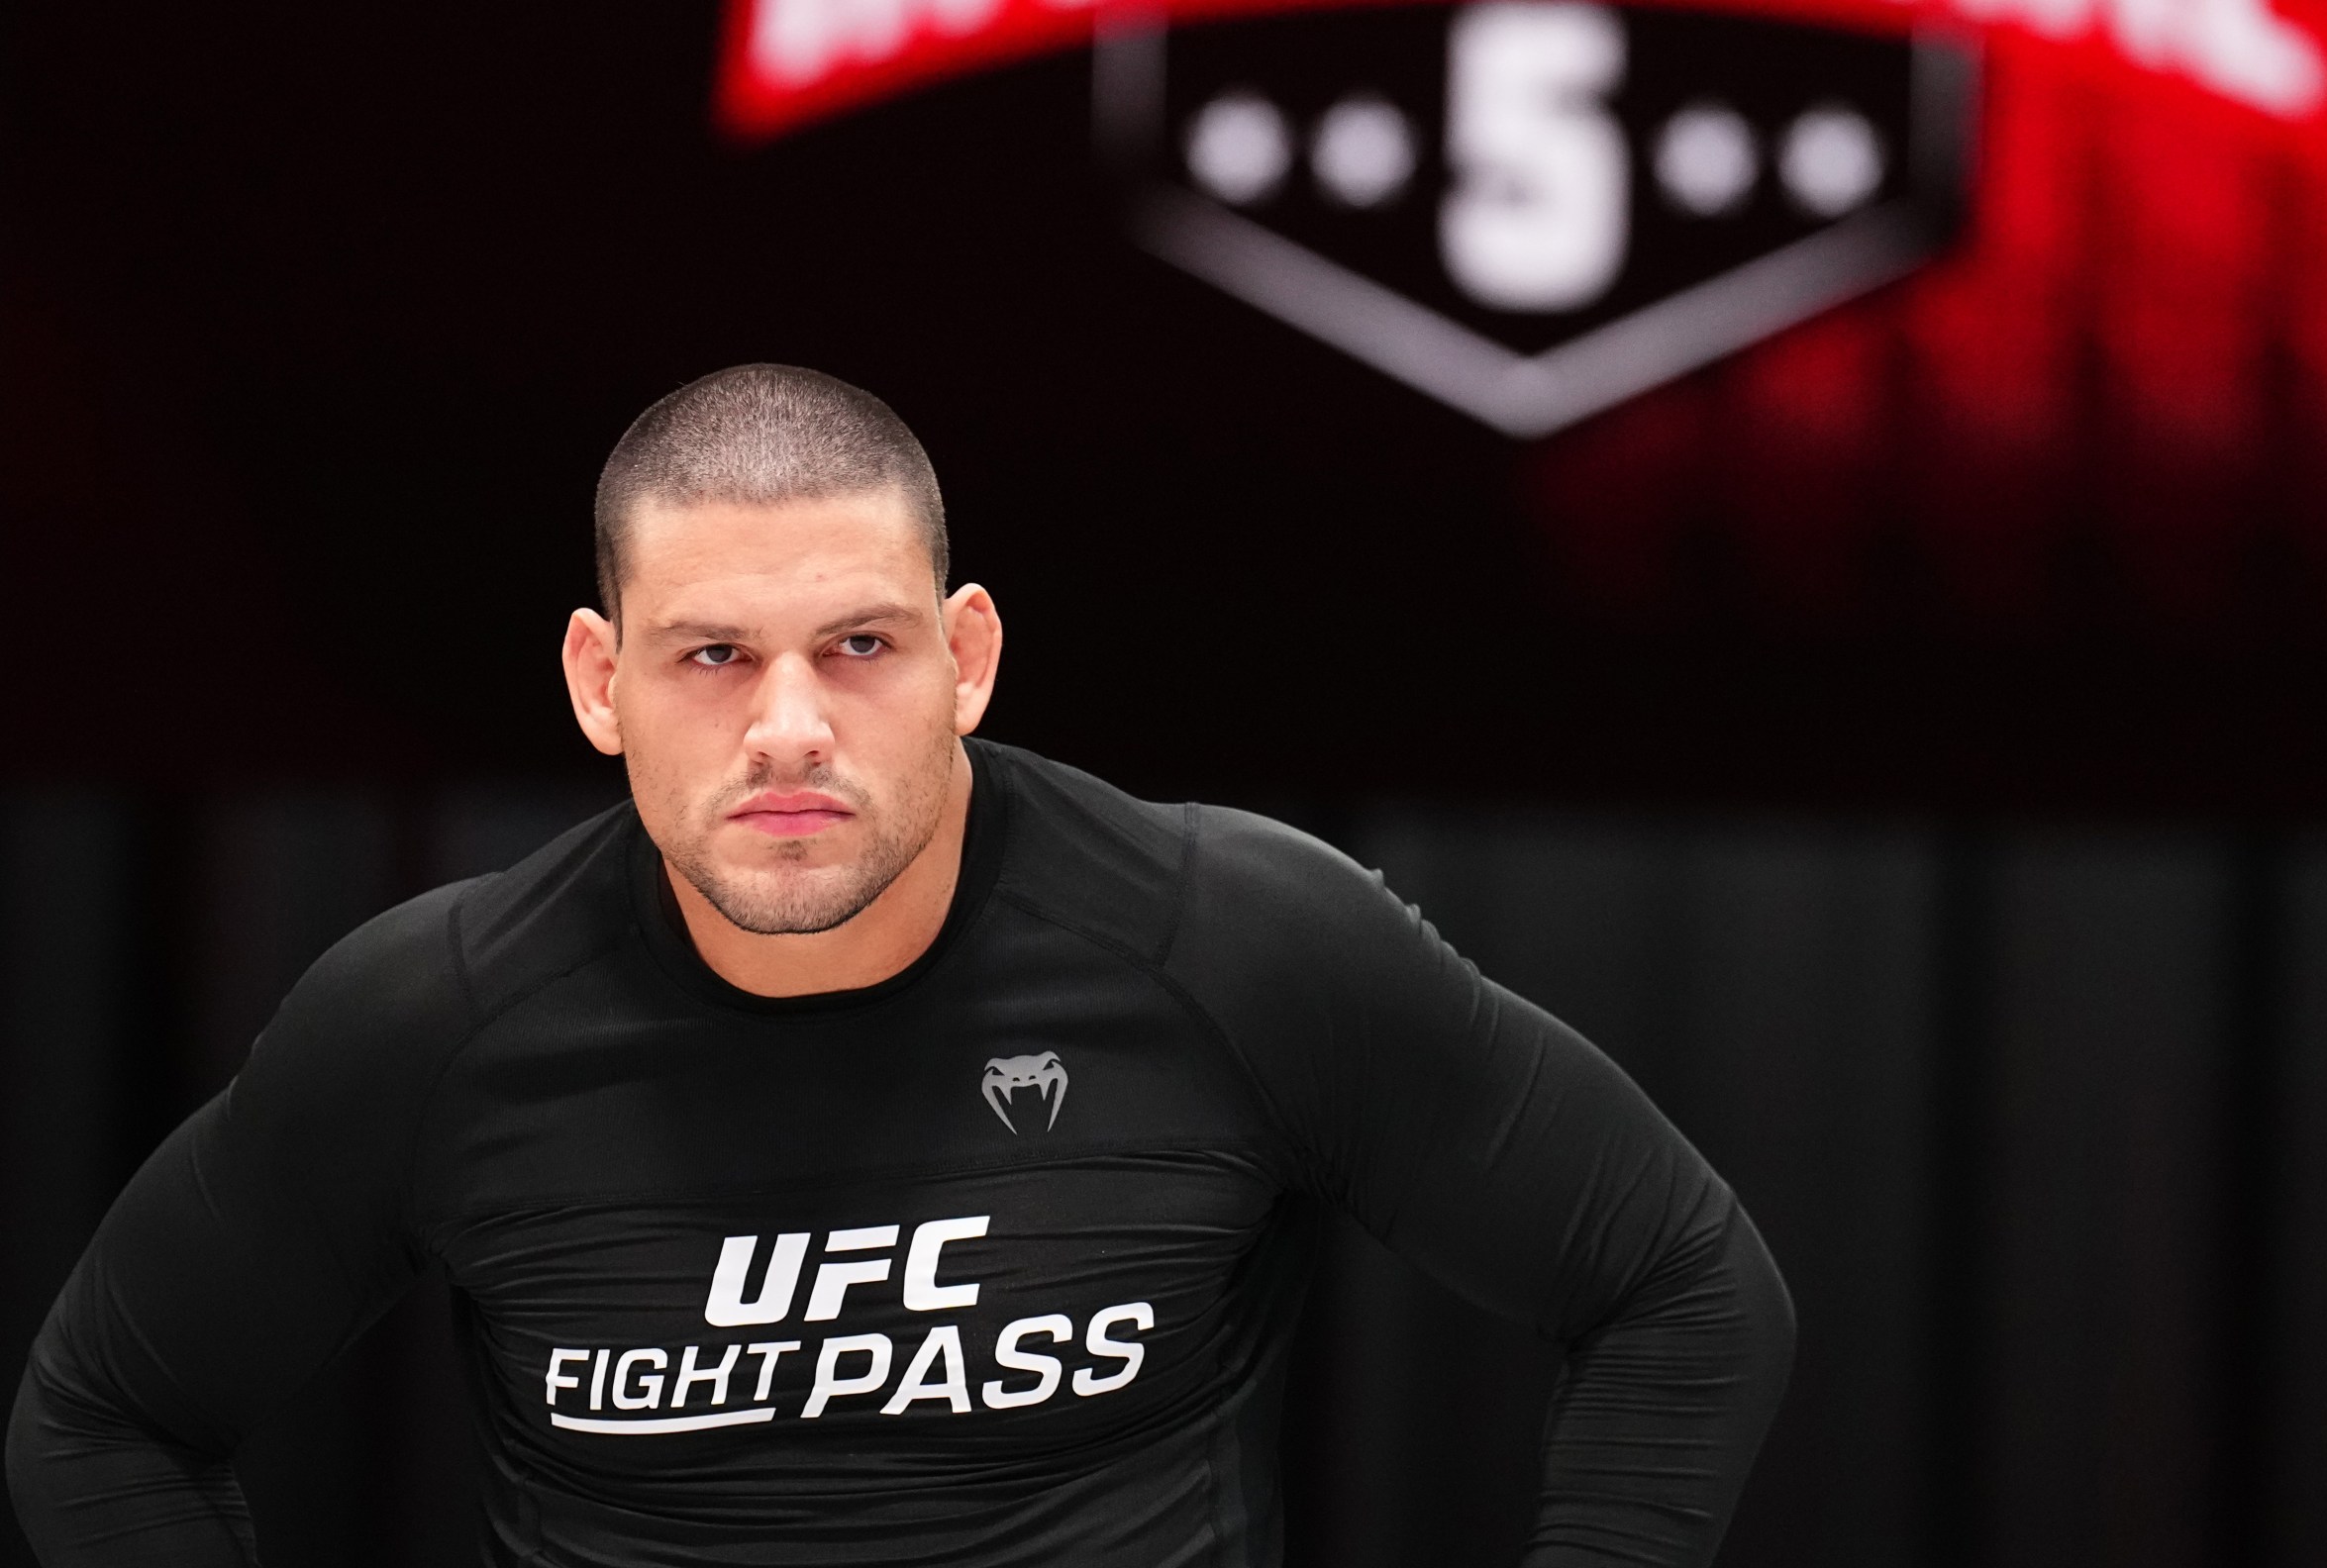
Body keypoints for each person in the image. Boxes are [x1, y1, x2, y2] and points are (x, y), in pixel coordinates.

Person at [6, 365, 1793, 1566]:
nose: (789, 728)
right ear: (598, 682)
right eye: (711, 655)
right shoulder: (432, 1020)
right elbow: (103, 1418)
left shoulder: (1234, 941)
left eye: (857, 645)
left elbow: (1684, 1287)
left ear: (968, 657)